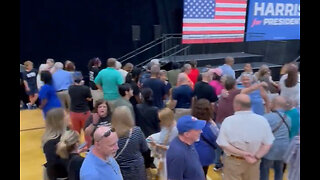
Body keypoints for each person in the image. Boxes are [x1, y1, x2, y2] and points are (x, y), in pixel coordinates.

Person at [216, 94, 275, 180]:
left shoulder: (229, 121)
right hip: (254, 162)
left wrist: (243, 153)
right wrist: (256, 157)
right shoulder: (262, 120)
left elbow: (223, 143)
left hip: (233, 161)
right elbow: (268, 143)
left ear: (237, 106)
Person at [111, 106, 148, 180]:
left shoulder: (111, 134)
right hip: (137, 170)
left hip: (119, 171)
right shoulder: (137, 131)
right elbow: (145, 149)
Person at [260, 96, 291, 180]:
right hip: (284, 149)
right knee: (279, 169)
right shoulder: (288, 118)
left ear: (273, 104)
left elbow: (261, 133)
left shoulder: (267, 117)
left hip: (270, 149)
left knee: (264, 170)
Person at [166, 115, 207, 180]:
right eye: (197, 129)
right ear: (187, 134)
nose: (201, 131)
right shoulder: (177, 155)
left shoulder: (190, 142)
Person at [146, 108, 178, 180]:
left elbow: (173, 147)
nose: (160, 122)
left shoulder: (175, 130)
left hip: (170, 158)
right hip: (164, 156)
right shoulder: (167, 126)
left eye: (161, 120)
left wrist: (156, 145)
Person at [192, 99, 219, 176]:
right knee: (203, 174)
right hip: (205, 155)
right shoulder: (210, 126)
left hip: (191, 154)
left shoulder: (189, 123)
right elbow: (217, 137)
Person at [136, 88, 161, 168]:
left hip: (141, 134)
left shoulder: (137, 107)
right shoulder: (155, 109)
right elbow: (157, 124)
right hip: (152, 135)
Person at [42, 108, 69, 180]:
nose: (68, 116)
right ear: (59, 121)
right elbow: (53, 165)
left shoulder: (64, 135)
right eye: (65, 115)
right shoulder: (51, 143)